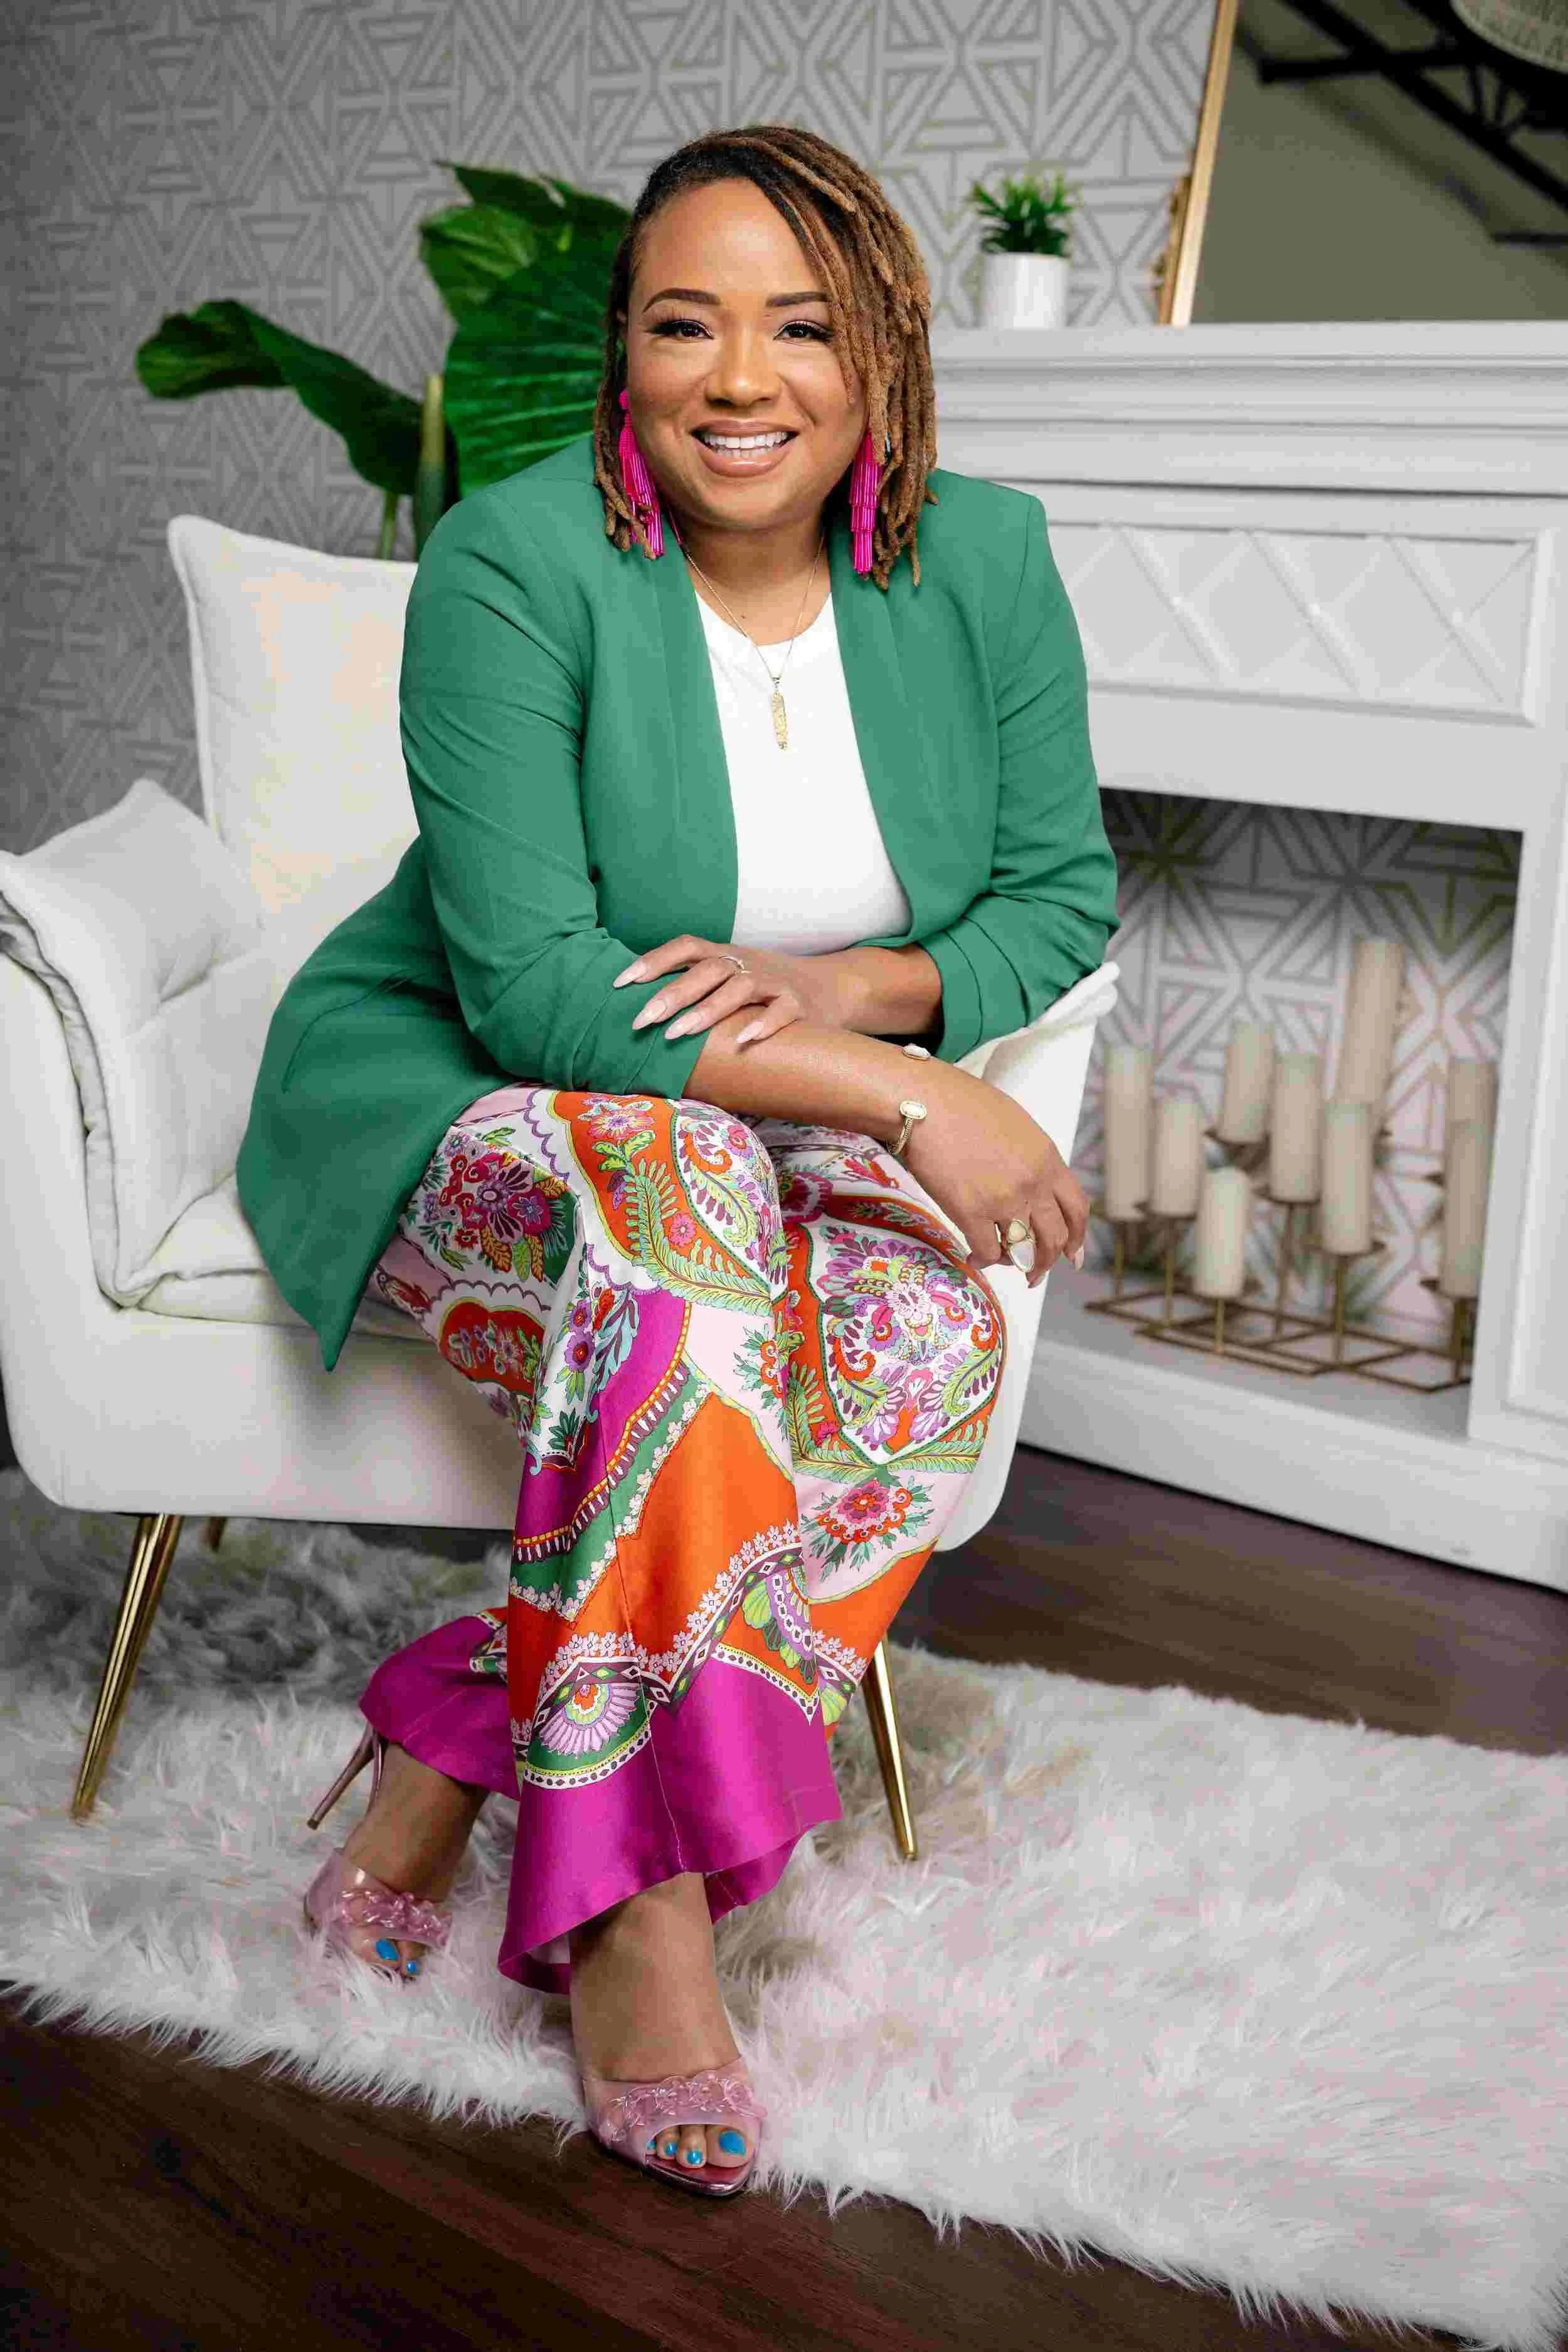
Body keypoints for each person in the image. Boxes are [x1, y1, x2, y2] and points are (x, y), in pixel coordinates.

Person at [235, 122, 1120, 2198]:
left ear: (881, 355)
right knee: (688, 1213)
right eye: (685, 323)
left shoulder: (979, 559)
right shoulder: (519, 561)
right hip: (469, 1098)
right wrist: (910, 1089)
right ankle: (636, 1911)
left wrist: (865, 992)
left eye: (802, 325)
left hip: (754, 1108)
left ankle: (474, 1718)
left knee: (925, 1332)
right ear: (622, 357)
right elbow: (543, 989)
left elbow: (1056, 895)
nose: (744, 377)